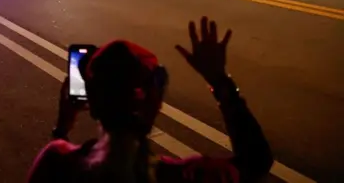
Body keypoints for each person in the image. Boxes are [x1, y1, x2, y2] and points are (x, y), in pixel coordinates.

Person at [28, 17, 273, 183]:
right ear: (153, 102)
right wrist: (219, 79)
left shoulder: (57, 164)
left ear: (92, 102)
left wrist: (61, 129)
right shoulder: (189, 176)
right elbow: (257, 160)